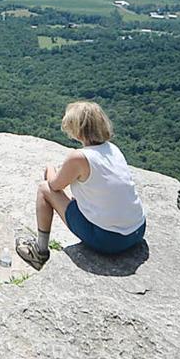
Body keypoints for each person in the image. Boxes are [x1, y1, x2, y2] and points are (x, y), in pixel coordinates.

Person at [16, 100, 146, 269]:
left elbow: (54, 186)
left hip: (110, 240)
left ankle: (39, 252)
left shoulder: (79, 157)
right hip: (137, 230)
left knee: (44, 188)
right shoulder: (113, 149)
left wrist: (49, 170)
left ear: (77, 130)